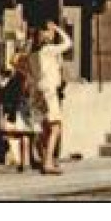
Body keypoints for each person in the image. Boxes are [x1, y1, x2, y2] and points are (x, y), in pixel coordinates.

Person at [25, 20, 72, 176]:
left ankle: (43, 157)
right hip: (49, 91)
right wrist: (58, 29)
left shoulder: (32, 54)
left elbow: (29, 75)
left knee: (43, 128)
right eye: (50, 32)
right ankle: (48, 162)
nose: (52, 34)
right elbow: (68, 43)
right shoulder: (49, 50)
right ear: (46, 35)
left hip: (36, 91)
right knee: (55, 126)